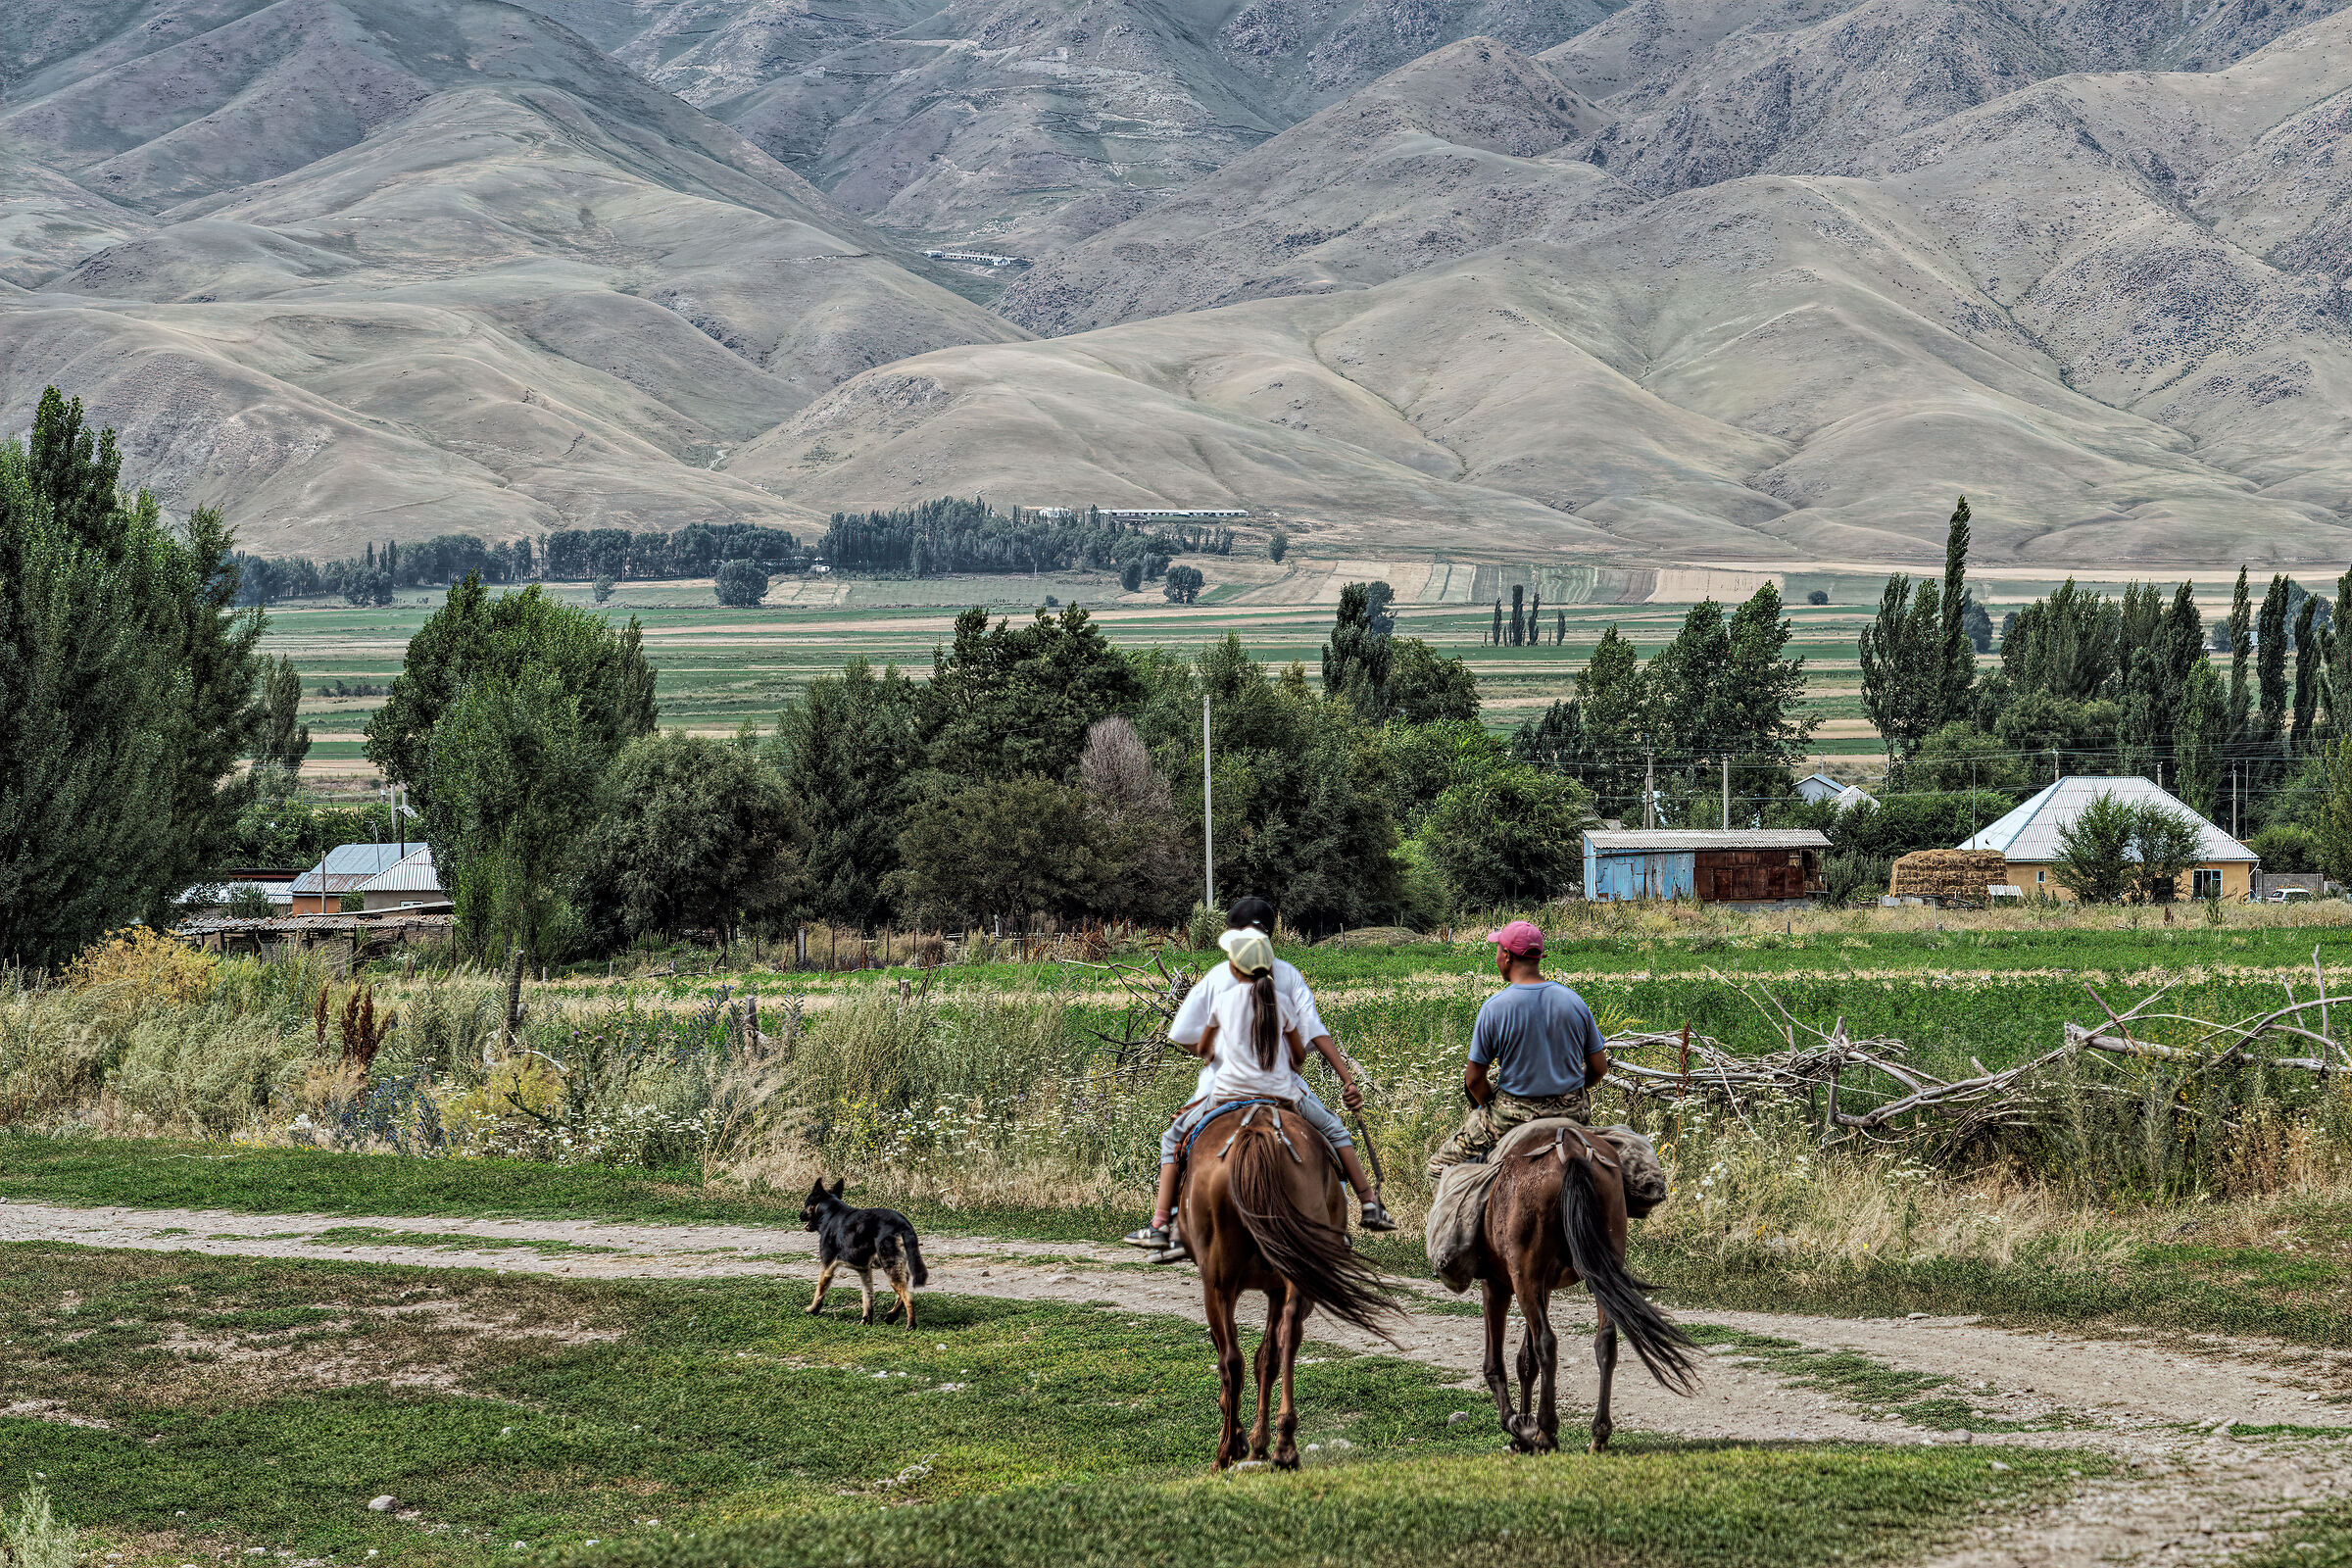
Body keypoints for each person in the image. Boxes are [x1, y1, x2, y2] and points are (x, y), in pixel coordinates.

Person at [1123, 898, 1396, 1259]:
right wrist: (1346, 1079)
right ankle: (1365, 1204)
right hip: (1284, 1089)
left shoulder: (1218, 980)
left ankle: (1163, 1225)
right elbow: (1312, 1038)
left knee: (1173, 1138)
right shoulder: (1287, 978)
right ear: (1270, 938)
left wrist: (1224, 1054)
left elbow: (1190, 1038)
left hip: (1224, 1088)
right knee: (1333, 1133)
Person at [1427, 919, 1608, 1179]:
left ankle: (1468, 1219)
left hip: (1513, 1116)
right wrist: (1570, 1093)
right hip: (1572, 1114)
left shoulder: (1495, 1008)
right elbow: (1599, 1069)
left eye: (1498, 950)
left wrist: (1488, 1104)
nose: (1497, 956)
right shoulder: (1574, 1002)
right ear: (1538, 957)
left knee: (1438, 1167)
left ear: (1507, 956)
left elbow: (1474, 1079)